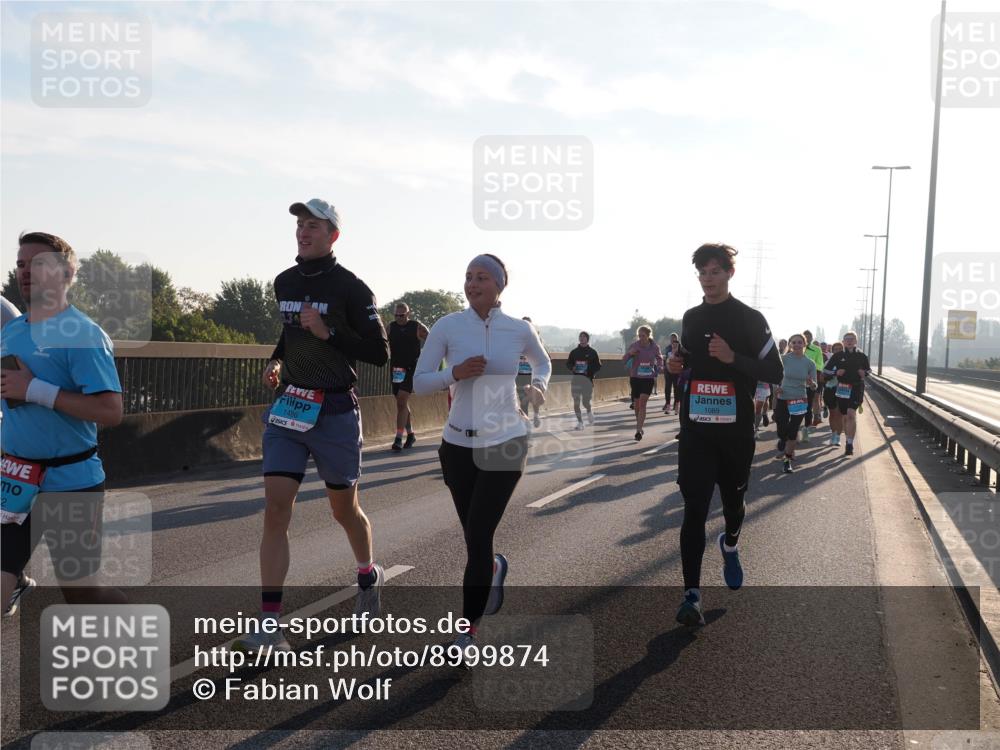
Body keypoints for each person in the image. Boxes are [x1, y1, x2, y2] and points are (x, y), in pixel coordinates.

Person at [234, 199, 389, 654]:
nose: (303, 231)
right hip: (290, 409)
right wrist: (277, 361)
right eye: (300, 224)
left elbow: (379, 352)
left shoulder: (352, 288)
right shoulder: (283, 281)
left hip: (336, 412)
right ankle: (269, 623)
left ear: (333, 235)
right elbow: (289, 332)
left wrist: (328, 333)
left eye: (314, 225)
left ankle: (367, 572)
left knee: (344, 511)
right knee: (276, 509)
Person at [413, 254, 550, 657]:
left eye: (482, 277)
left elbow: (541, 363)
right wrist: (452, 374)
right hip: (457, 446)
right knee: (475, 541)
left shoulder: (518, 329)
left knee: (479, 534)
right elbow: (420, 382)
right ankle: (489, 568)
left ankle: (466, 634)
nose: (473, 283)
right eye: (468, 277)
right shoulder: (447, 326)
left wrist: (538, 386)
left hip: (506, 441)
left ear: (499, 285)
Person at [2, 232, 125, 617]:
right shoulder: (13, 330)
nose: (25, 272)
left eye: (37, 264)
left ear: (67, 273)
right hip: (16, 480)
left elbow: (110, 411)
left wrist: (35, 389)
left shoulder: (84, 335)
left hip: (70, 482)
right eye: (21, 264)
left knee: (83, 596)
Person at [667, 243, 782, 626]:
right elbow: (687, 359)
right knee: (694, 508)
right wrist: (676, 363)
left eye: (715, 271)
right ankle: (691, 596)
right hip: (696, 430)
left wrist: (734, 359)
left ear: (729, 274)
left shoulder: (750, 319)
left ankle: (730, 544)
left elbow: (775, 372)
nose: (708, 278)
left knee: (733, 504)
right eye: (702, 272)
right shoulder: (691, 317)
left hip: (735, 433)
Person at [773, 333, 818, 474]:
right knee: (781, 426)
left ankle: (787, 461)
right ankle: (783, 439)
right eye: (794, 342)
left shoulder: (810, 363)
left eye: (800, 342)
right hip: (783, 397)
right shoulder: (783, 359)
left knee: (793, 431)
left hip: (799, 399)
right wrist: (776, 387)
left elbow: (815, 386)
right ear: (790, 344)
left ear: (804, 344)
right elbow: (774, 375)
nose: (797, 345)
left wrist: (811, 384)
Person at [387, 302, 428, 451]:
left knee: (402, 399)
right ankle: (411, 434)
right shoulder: (390, 327)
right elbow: (382, 343)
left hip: (413, 368)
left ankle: (398, 438)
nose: (398, 318)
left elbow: (432, 341)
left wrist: (427, 362)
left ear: (408, 314)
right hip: (397, 369)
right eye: (396, 315)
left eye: (401, 315)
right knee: (400, 403)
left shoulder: (417, 327)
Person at [822, 331, 870, 457]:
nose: (849, 341)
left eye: (852, 339)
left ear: (856, 341)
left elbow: (868, 370)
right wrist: (836, 373)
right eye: (847, 339)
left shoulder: (862, 356)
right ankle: (846, 437)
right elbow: (826, 370)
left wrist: (864, 374)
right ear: (843, 342)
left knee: (850, 414)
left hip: (856, 387)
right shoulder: (838, 356)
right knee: (844, 415)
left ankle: (849, 444)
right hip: (842, 387)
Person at [623, 326, 662, 441]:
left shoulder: (655, 347)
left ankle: (638, 430)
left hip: (648, 378)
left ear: (648, 336)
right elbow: (624, 359)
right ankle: (639, 425)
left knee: (642, 403)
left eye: (643, 336)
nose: (640, 338)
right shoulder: (634, 346)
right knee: (637, 404)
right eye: (639, 336)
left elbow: (659, 358)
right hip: (635, 377)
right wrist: (630, 353)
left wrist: (659, 367)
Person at [566, 331, 601, 429]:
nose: (581, 338)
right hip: (576, 380)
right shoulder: (574, 352)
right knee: (576, 402)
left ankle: (589, 411)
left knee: (585, 402)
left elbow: (598, 366)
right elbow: (568, 363)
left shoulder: (592, 352)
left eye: (584, 337)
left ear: (587, 339)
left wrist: (589, 371)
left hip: (587, 380)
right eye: (580, 336)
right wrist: (572, 367)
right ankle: (580, 423)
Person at [516, 317, 543, 428]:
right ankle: (525, 427)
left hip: (532, 376)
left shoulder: (537, 341)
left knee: (534, 398)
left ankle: (536, 415)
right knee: (523, 402)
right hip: (520, 375)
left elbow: (545, 360)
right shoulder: (516, 339)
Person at [801, 329, 825, 442]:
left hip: (811, 382)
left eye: (808, 336)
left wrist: (810, 369)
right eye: (804, 336)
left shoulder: (817, 349)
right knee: (795, 408)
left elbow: (820, 364)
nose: (806, 338)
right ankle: (792, 433)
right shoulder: (797, 348)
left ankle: (806, 431)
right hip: (796, 383)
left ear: (811, 338)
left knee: (808, 407)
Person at [822, 342, 846, 445]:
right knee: (833, 414)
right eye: (835, 349)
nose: (838, 351)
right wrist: (832, 374)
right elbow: (822, 376)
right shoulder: (828, 362)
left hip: (843, 389)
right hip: (830, 389)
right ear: (833, 350)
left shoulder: (847, 361)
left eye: (840, 349)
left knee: (839, 414)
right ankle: (833, 434)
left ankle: (837, 437)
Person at [662, 332, 682, 415]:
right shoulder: (667, 348)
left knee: (676, 388)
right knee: (667, 388)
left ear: (677, 339)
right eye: (671, 339)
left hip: (677, 371)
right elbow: (665, 358)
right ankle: (668, 405)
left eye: (674, 339)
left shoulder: (681, 348)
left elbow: (683, 359)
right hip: (668, 371)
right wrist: (664, 366)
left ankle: (677, 405)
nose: (673, 340)